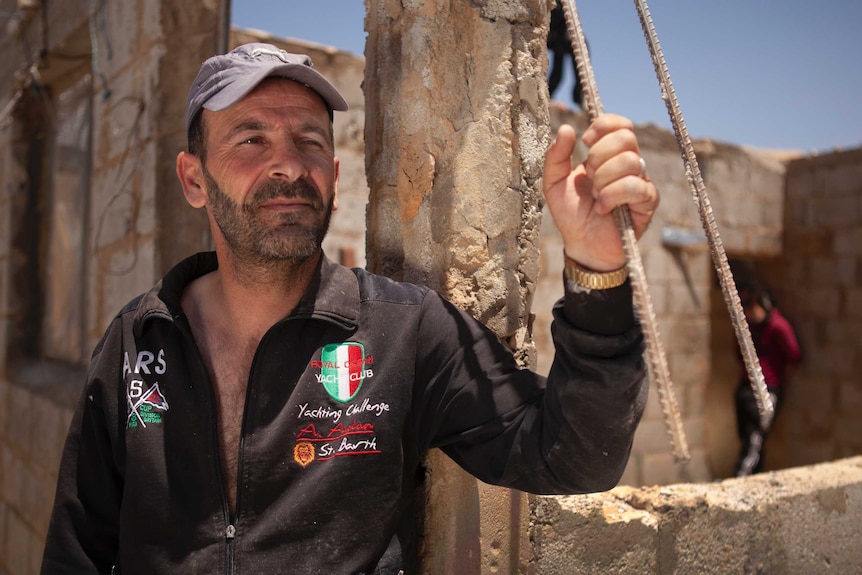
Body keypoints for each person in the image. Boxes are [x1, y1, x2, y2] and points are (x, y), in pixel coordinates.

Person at [41, 42, 659, 574]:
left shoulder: (403, 331)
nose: (288, 164)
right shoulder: (137, 343)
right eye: (251, 138)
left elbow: (572, 456)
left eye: (308, 141)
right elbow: (77, 550)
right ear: (194, 178)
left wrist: (598, 272)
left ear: (334, 175)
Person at [734, 279, 801, 477]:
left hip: (767, 389)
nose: (748, 312)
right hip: (746, 387)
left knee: (755, 440)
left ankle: (740, 479)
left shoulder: (778, 326)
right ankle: (753, 476)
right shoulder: (748, 327)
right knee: (747, 437)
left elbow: (794, 355)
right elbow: (738, 353)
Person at [547, 0, 584, 108]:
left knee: (579, 73)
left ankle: (578, 99)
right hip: (558, 38)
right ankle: (549, 96)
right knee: (558, 74)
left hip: (564, 37)